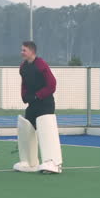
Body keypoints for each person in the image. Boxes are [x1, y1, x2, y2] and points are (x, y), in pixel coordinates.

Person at [15, 40, 62, 175]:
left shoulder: (41, 64)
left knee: (45, 128)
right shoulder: (23, 67)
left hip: (45, 103)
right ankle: (29, 162)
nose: (22, 52)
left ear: (32, 51)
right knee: (26, 128)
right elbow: (24, 84)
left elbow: (52, 84)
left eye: (24, 50)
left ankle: (53, 162)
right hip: (32, 104)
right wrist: (25, 97)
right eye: (22, 50)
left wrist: (38, 95)